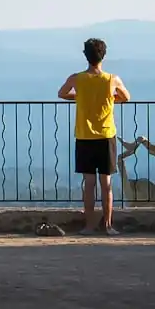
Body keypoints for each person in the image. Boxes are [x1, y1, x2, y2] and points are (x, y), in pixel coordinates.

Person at [57, 38, 131, 235]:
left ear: (86, 56)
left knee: (88, 184)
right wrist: (111, 99)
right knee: (106, 183)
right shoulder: (112, 79)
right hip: (107, 136)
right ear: (103, 56)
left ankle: (88, 226)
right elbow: (126, 97)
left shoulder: (77, 79)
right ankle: (107, 226)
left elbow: (61, 93)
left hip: (84, 136)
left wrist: (78, 97)